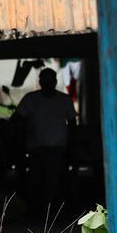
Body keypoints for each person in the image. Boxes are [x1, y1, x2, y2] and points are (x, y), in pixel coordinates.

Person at [15, 67, 76, 217]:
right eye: (45, 80)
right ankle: (38, 210)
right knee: (36, 179)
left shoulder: (64, 100)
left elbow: (73, 125)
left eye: (50, 80)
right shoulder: (30, 99)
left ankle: (49, 211)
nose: (48, 83)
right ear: (40, 82)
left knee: (53, 180)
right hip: (36, 147)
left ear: (55, 82)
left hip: (57, 147)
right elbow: (17, 120)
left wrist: (71, 147)